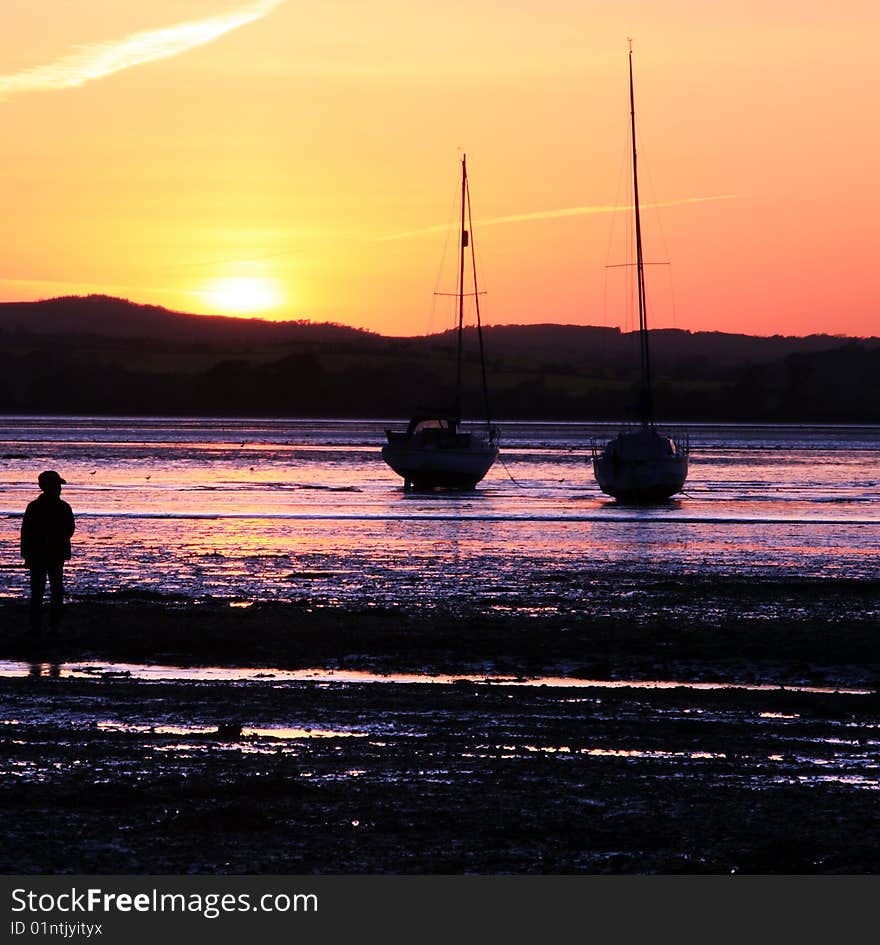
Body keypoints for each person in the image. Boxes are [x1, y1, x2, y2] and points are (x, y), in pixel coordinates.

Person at [20, 470, 75, 633]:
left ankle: (39, 625)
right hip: (52, 554)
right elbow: (69, 530)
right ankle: (52, 625)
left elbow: (26, 532)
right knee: (52, 591)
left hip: (41, 554)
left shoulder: (35, 507)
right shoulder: (62, 507)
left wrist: (26, 553)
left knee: (40, 591)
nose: (59, 488)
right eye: (57, 485)